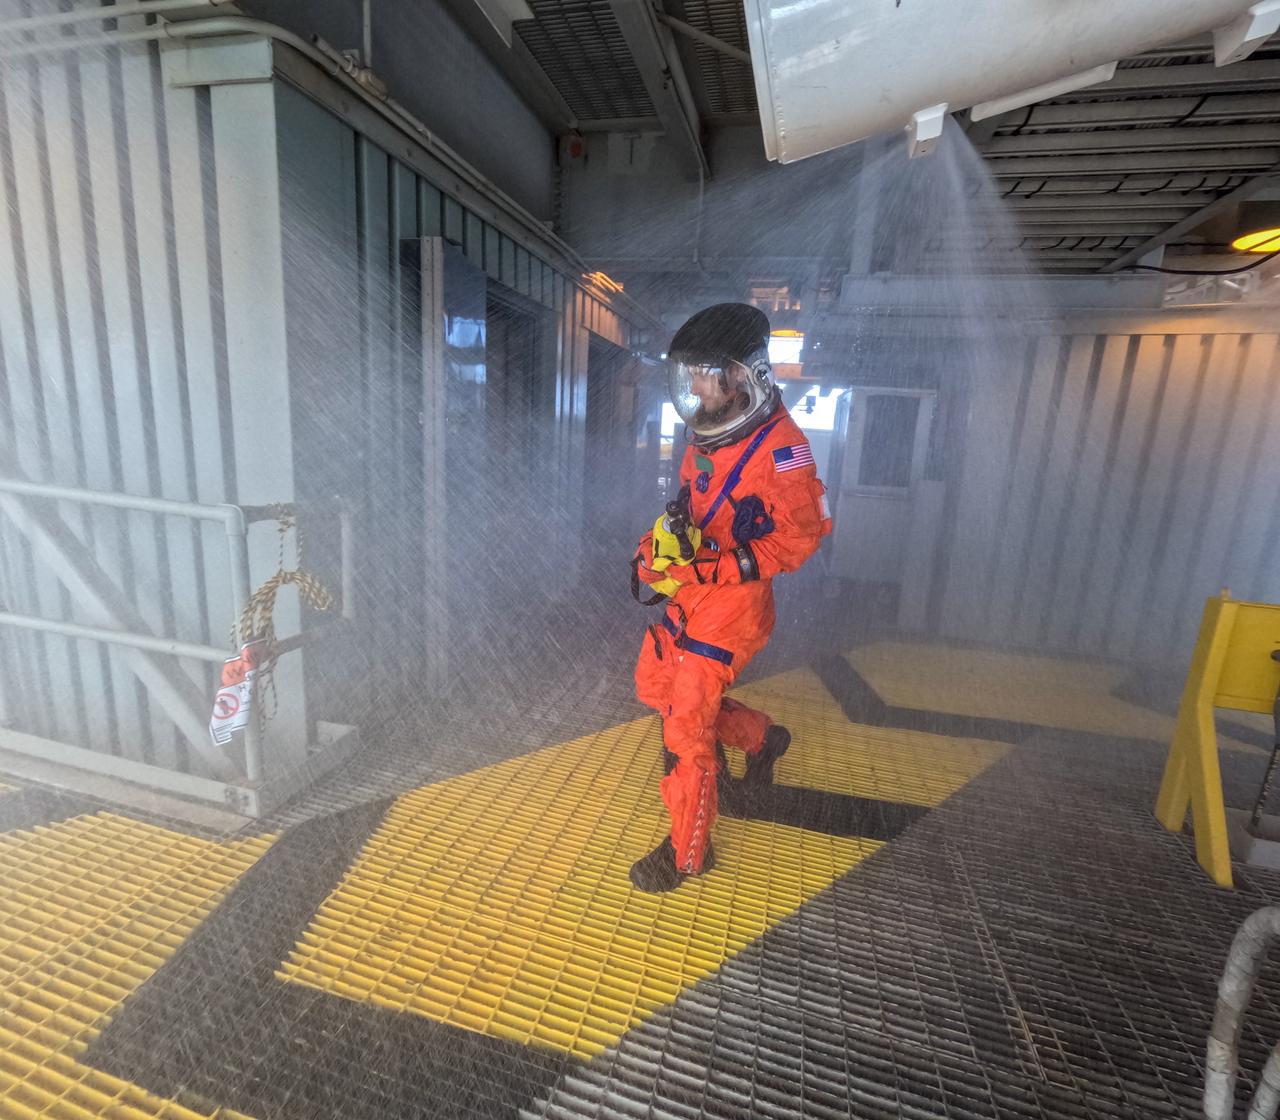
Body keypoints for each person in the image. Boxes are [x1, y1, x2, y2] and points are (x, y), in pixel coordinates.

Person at [629, 303, 832, 892]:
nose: (693, 388)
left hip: (734, 606)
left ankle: (689, 854)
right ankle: (764, 739)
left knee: (686, 725)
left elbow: (799, 540)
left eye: (703, 375)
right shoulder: (705, 436)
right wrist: (656, 549)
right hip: (694, 590)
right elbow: (689, 509)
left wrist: (726, 564)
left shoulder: (784, 449)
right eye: (689, 375)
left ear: (743, 375)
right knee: (656, 686)